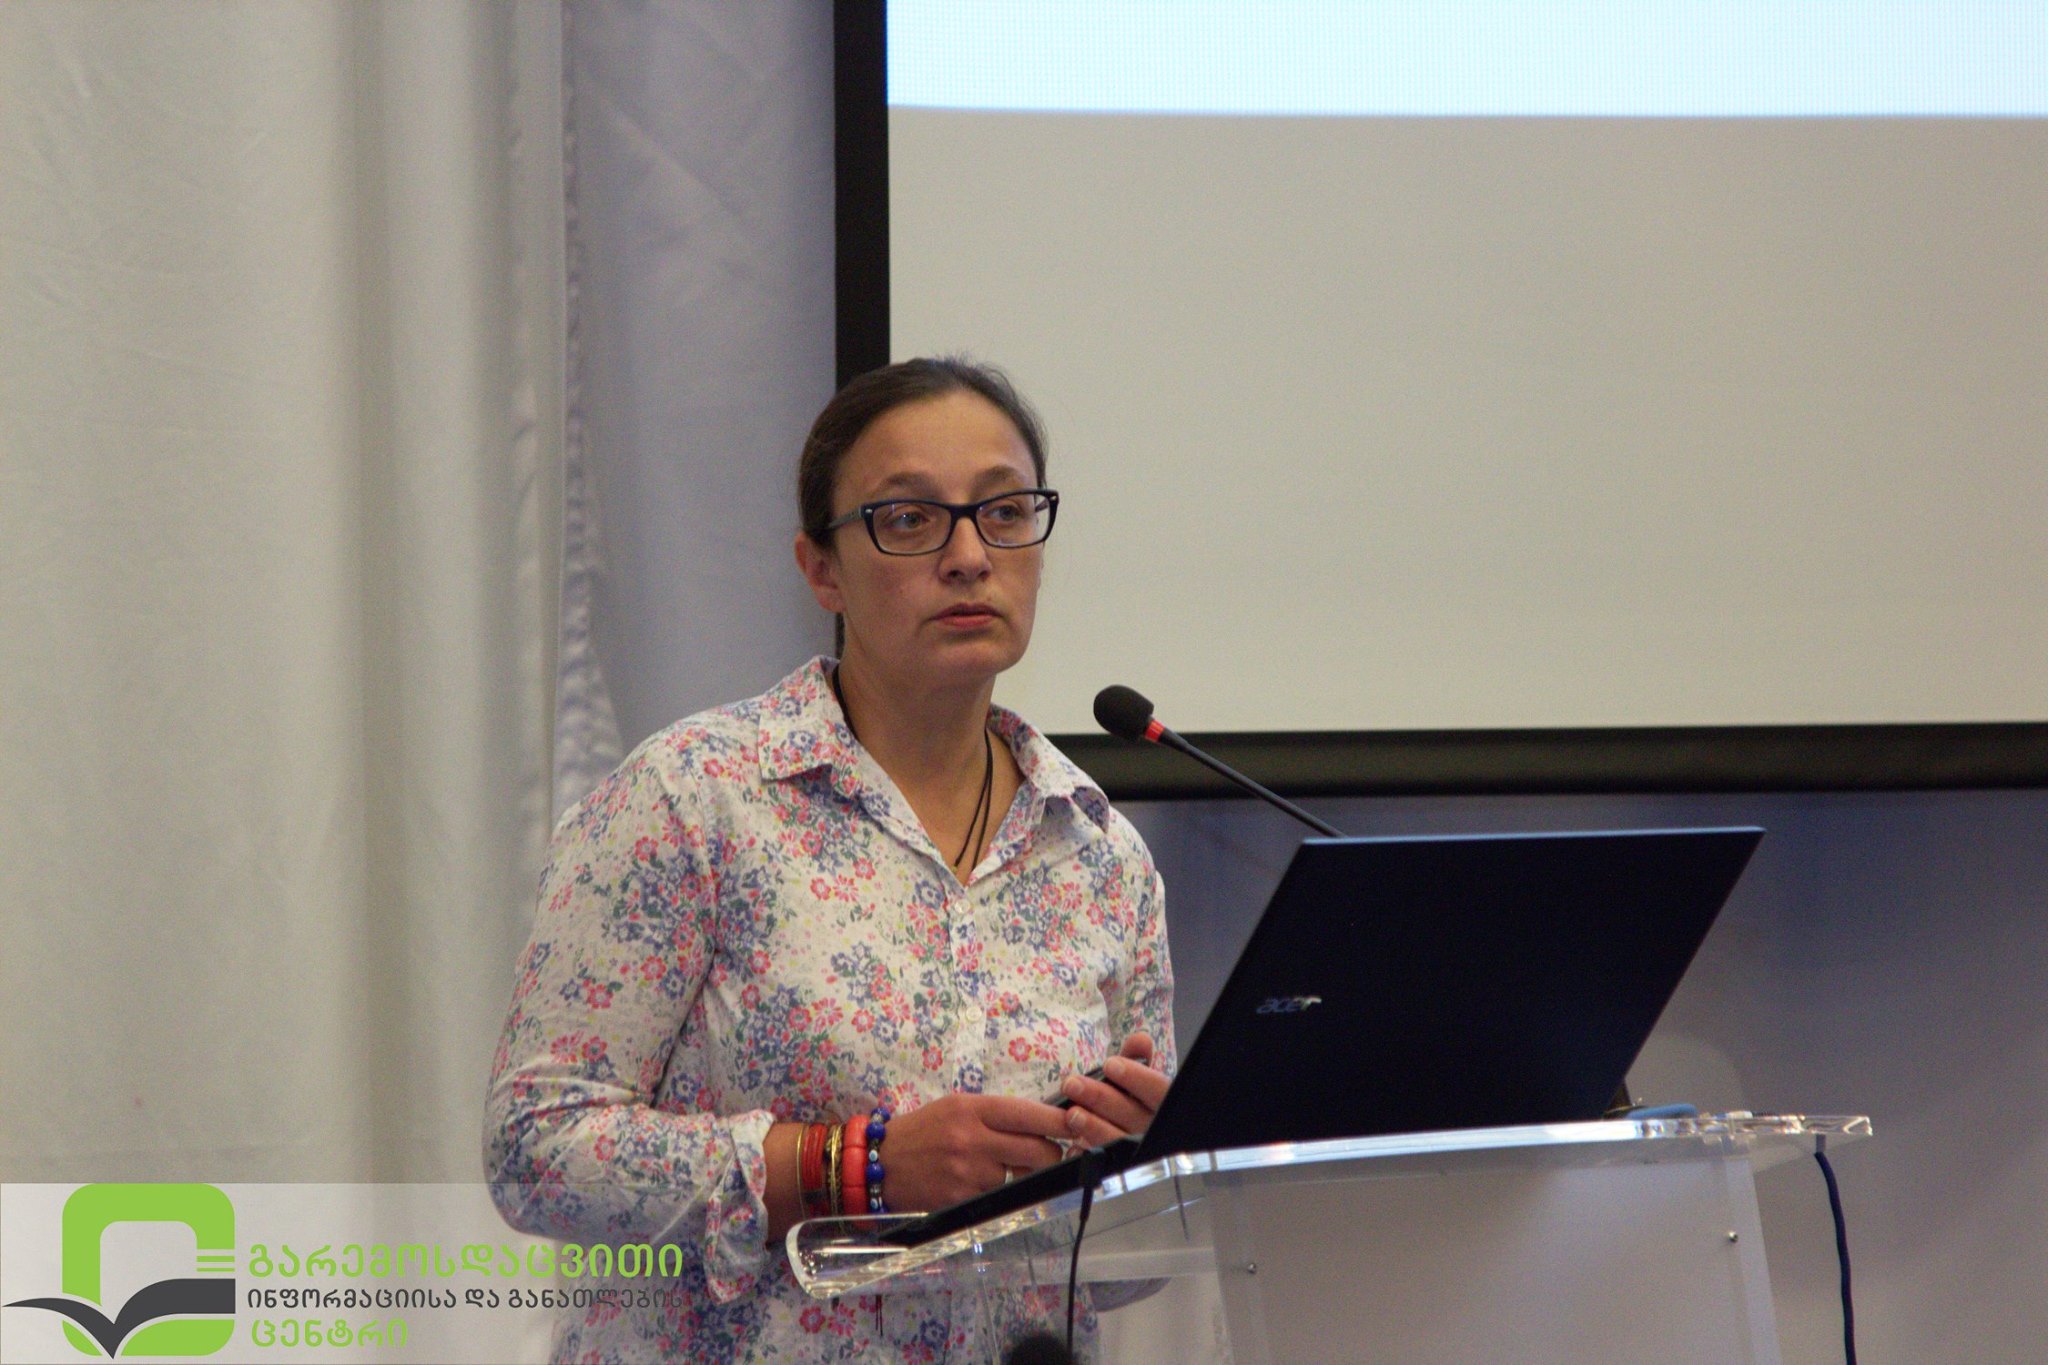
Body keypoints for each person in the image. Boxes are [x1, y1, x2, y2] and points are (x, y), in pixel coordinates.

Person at [486, 357, 1175, 1361]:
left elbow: (1127, 1266)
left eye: (1003, 512)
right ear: (821, 569)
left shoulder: (1102, 854)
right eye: (909, 519)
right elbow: (536, 1146)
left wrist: (1139, 1175)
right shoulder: (693, 797)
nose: (969, 556)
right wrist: (856, 1167)